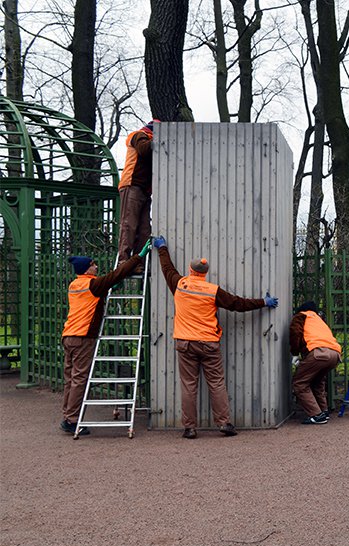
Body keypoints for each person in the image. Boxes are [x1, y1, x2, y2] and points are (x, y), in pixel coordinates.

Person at [154, 235, 278, 439]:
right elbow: (238, 303)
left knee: (188, 385)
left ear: (190, 270)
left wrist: (162, 248)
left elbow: (167, 268)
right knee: (217, 383)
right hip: (208, 343)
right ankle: (224, 423)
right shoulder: (213, 291)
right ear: (205, 273)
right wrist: (263, 302)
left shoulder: (180, 284)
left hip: (184, 343)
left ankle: (190, 428)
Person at [60, 240, 152, 436]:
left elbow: (96, 294)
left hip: (68, 335)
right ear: (86, 269)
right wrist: (140, 255)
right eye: (93, 264)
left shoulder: (75, 285)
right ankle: (73, 419)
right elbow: (115, 275)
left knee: (70, 379)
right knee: (79, 379)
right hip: (83, 336)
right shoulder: (93, 284)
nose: (96, 266)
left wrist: (112, 287)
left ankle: (67, 415)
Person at [288, 301, 342, 425]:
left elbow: (295, 333)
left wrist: (295, 353)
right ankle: (324, 411)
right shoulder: (319, 320)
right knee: (318, 382)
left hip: (319, 353)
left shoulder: (301, 316)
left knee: (299, 383)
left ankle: (316, 415)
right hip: (335, 354)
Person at [117, 119, 159, 267]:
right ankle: (123, 261)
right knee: (129, 224)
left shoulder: (149, 139)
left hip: (144, 190)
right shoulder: (140, 135)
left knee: (144, 228)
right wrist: (160, 138)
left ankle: (137, 262)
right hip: (132, 185)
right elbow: (144, 149)